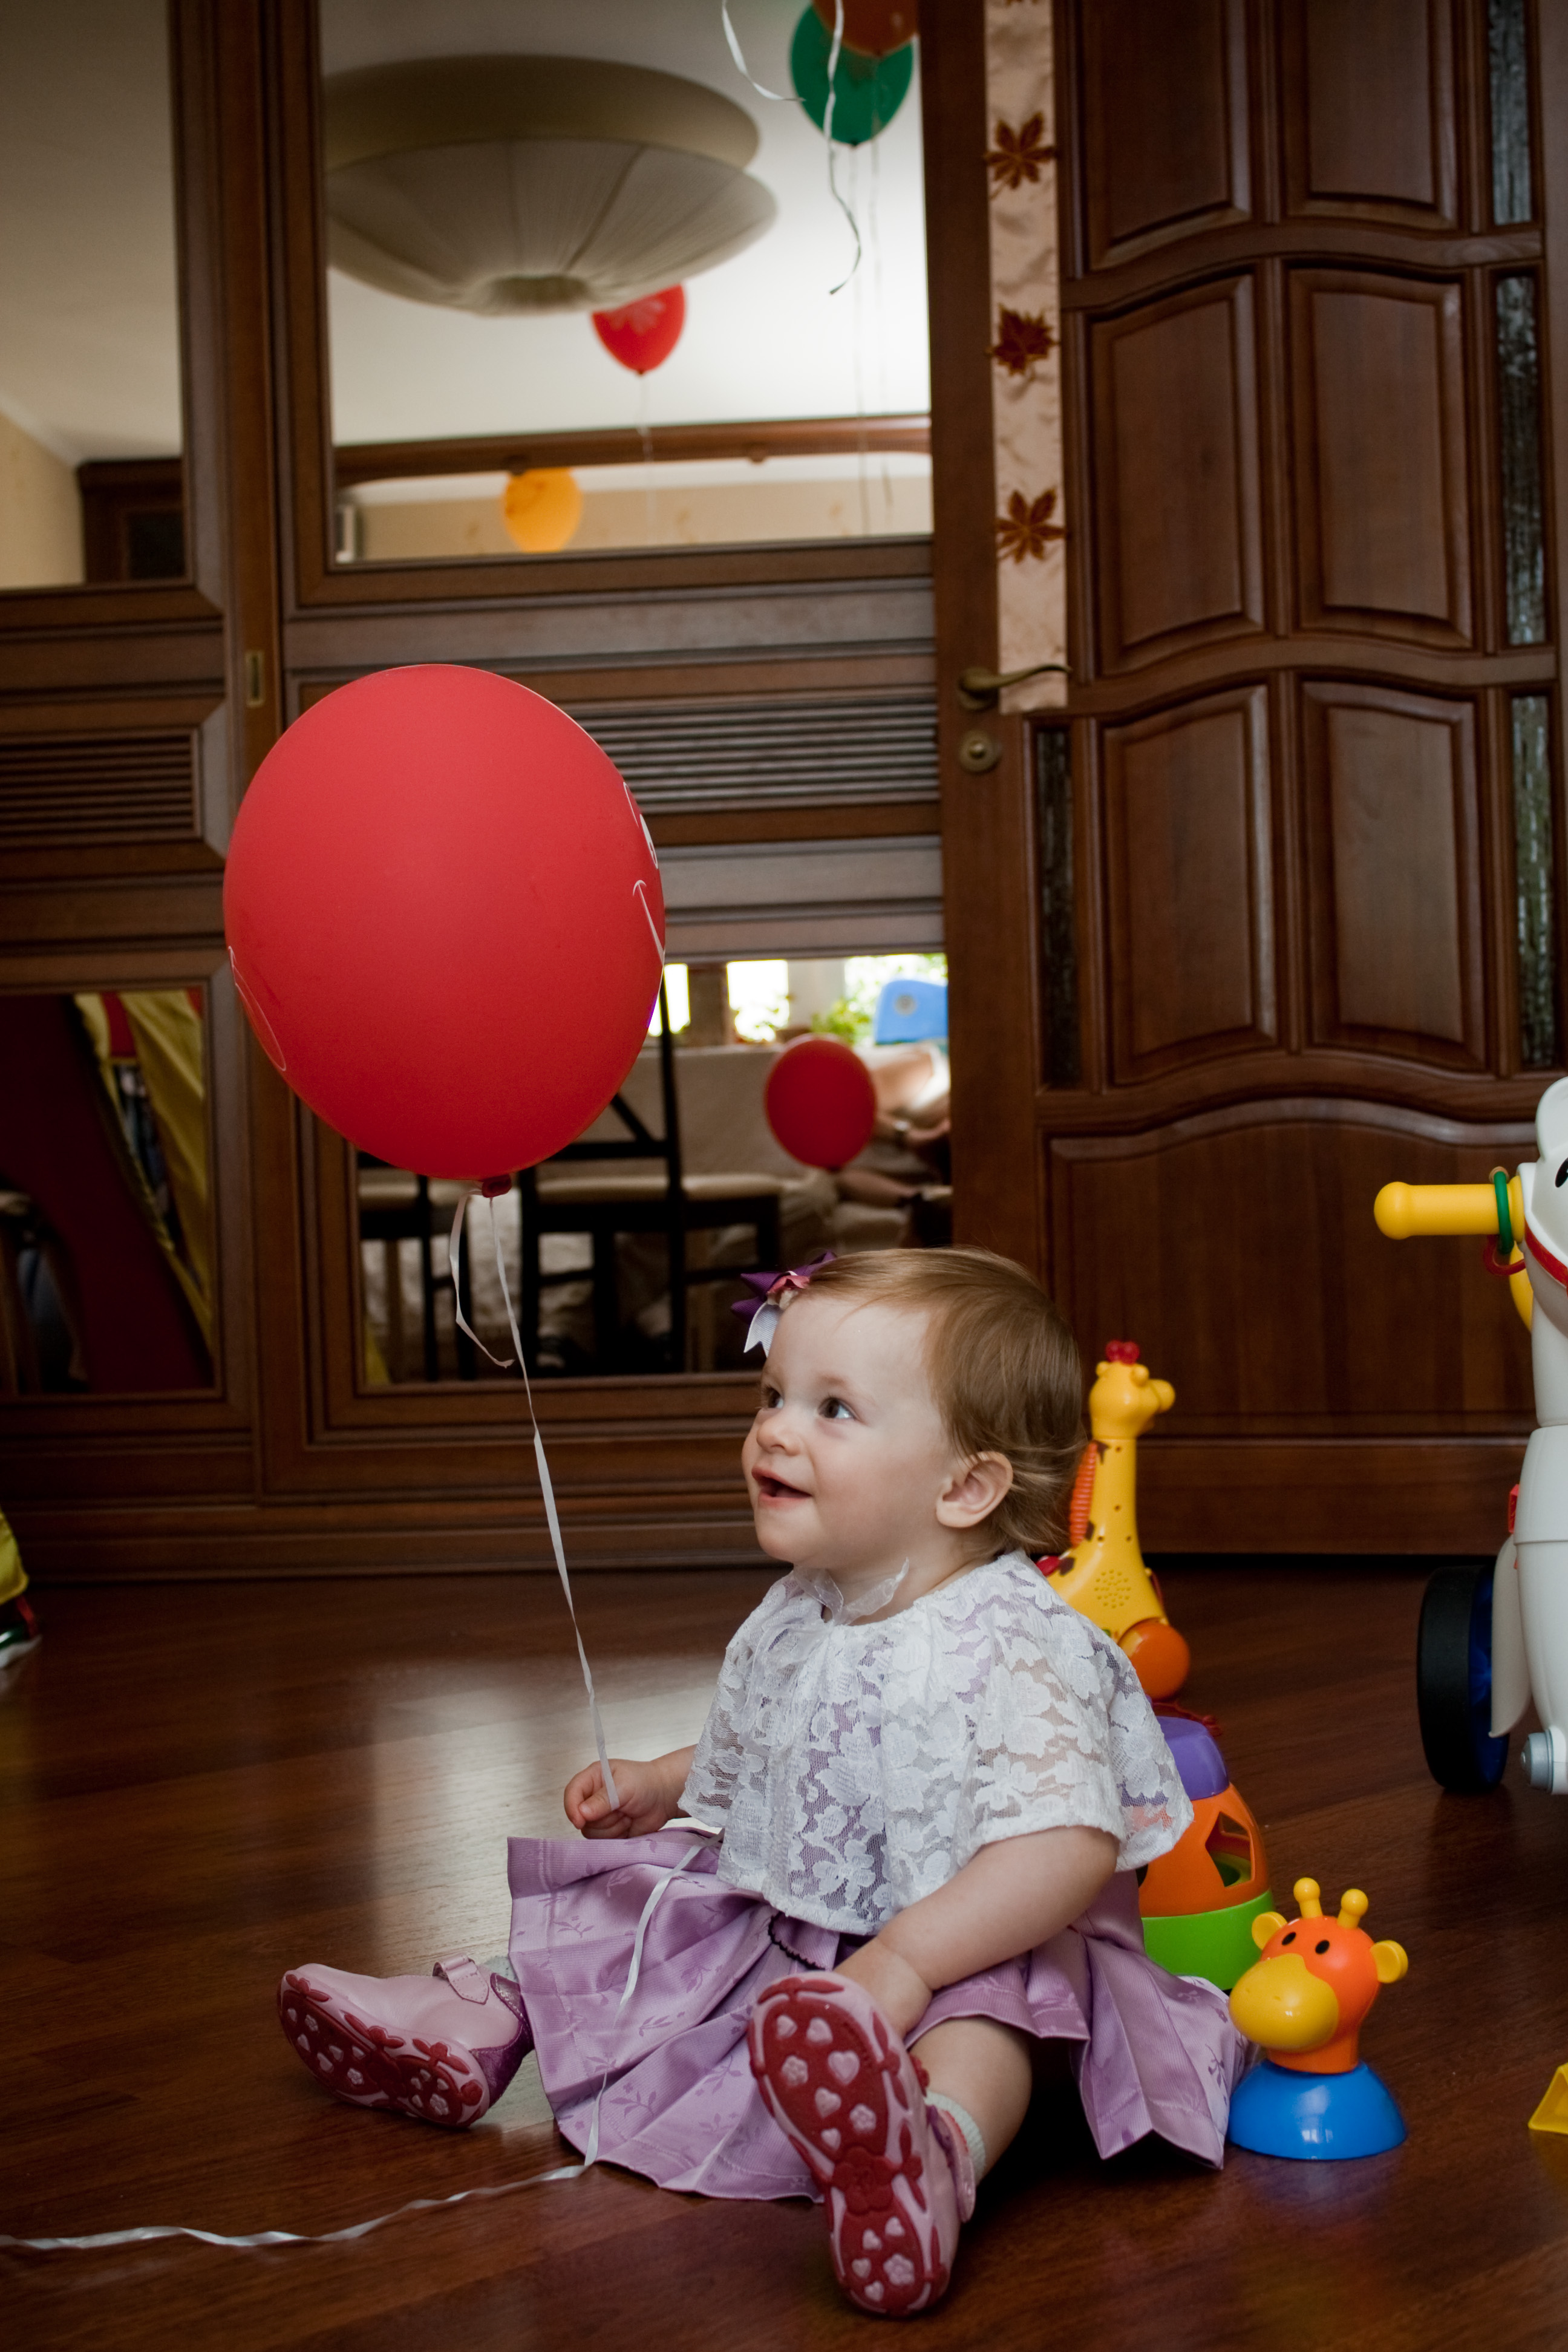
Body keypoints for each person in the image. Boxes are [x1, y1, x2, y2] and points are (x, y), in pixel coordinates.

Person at [278, 1249, 1246, 2318]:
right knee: (650, 1906)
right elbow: (789, 1739)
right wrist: (665, 1781)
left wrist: (908, 1961)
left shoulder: (1018, 1643)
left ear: (965, 1487)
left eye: (833, 1409)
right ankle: (486, 2023)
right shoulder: (805, 1606)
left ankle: (929, 2155)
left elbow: (1066, 1846)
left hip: (971, 1940)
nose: (775, 1432)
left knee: (990, 2024)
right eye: (773, 1395)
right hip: (798, 1928)